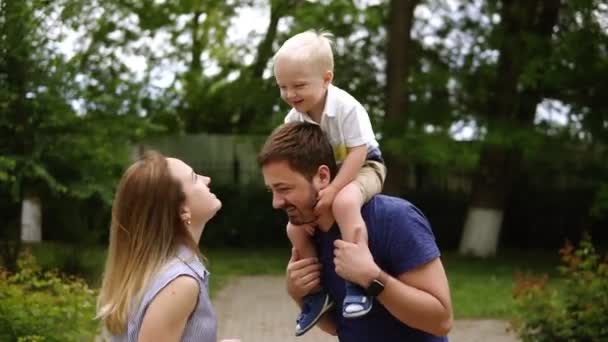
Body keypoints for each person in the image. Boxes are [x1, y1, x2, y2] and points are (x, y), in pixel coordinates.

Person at [257, 122, 453, 341]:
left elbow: (441, 321)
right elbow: (340, 327)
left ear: (322, 177)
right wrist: (300, 296)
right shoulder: (309, 235)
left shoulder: (394, 218)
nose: (276, 202)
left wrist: (372, 278)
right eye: (271, 190)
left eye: (284, 189)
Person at [273, 29, 387, 335]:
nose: (290, 94)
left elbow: (358, 152)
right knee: (294, 227)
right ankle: (317, 293)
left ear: (326, 78)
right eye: (282, 87)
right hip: (327, 177)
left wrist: (334, 189)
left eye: (298, 85)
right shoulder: (293, 120)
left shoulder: (347, 107)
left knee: (345, 202)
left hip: (364, 167)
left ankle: (357, 282)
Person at [97, 150, 237, 342]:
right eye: (194, 178)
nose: (207, 179)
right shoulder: (180, 283)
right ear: (182, 211)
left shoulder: (152, 271)